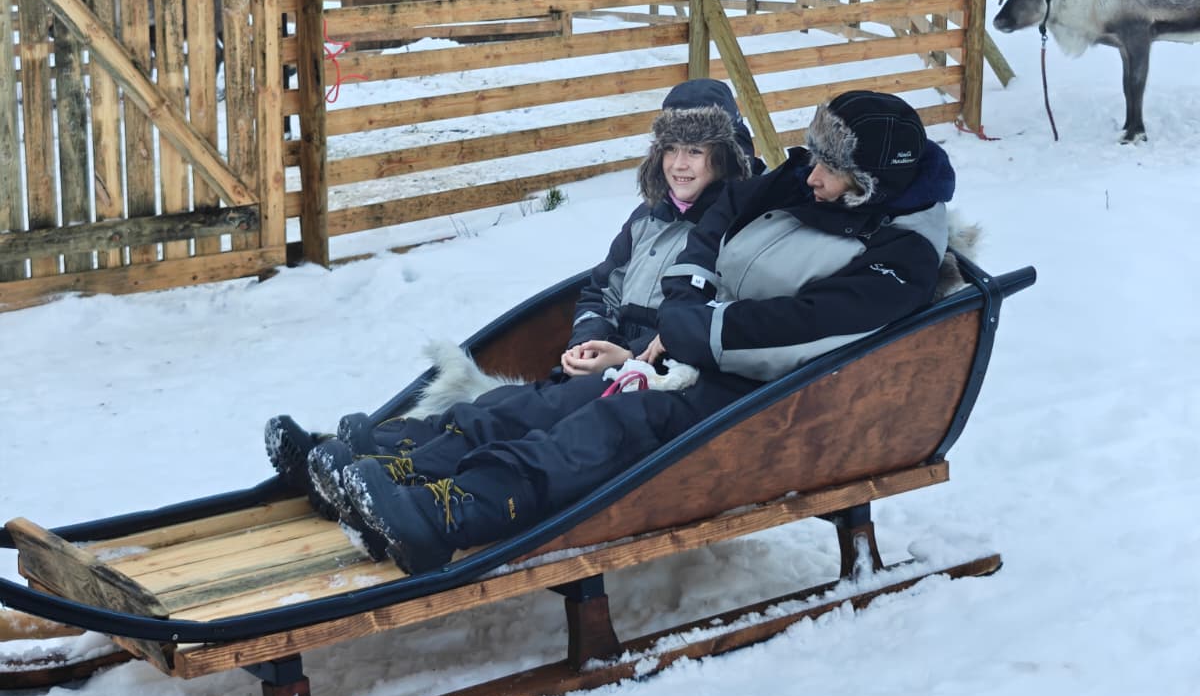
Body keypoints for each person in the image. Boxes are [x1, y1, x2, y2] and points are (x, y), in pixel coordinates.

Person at [335, 88, 956, 576]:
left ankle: (450, 515)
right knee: (564, 400)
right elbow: (722, 217)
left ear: (872, 183)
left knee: (610, 426)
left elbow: (802, 328)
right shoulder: (813, 186)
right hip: (697, 351)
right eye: (816, 159)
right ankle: (406, 469)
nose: (812, 176)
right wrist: (687, 296)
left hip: (767, 394)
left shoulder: (900, 258)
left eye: (830, 168)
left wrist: (692, 330)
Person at [263, 78, 755, 500]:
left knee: (516, 416)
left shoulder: (732, 233)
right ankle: (362, 452)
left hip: (651, 383)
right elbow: (600, 290)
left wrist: (624, 358)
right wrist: (588, 342)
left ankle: (394, 474)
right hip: (604, 366)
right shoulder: (648, 218)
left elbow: (706, 328)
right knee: (497, 408)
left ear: (724, 157)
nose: (679, 164)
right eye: (670, 149)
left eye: (695, 151)